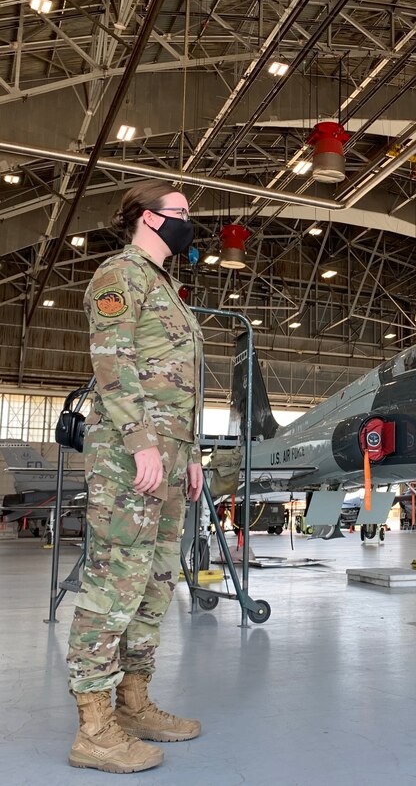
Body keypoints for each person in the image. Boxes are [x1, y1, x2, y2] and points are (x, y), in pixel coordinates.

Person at [66, 180, 205, 774]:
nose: (188, 223)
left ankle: (133, 701)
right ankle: (93, 726)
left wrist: (192, 453)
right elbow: (113, 363)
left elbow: (182, 382)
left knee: (155, 580)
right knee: (116, 578)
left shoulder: (168, 288)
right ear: (149, 218)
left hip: (171, 458)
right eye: (180, 213)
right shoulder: (119, 274)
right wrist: (143, 443)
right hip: (131, 454)